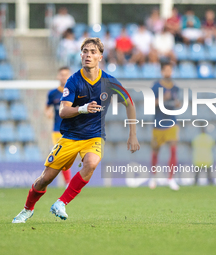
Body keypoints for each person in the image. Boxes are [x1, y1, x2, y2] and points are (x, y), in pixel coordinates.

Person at [12, 37, 140, 223]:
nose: (88, 55)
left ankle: (61, 203)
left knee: (91, 164)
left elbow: (129, 103)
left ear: (100, 57)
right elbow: (63, 111)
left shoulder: (110, 82)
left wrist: (133, 135)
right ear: (80, 55)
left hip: (94, 136)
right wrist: (83, 108)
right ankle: (27, 209)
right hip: (70, 137)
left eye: (92, 52)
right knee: (45, 179)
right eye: (85, 51)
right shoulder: (73, 81)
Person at [149, 62, 180, 191]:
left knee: (173, 150)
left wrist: (178, 103)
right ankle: (154, 177)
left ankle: (171, 179)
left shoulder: (175, 88)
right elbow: (150, 104)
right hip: (158, 123)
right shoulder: (156, 87)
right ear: (162, 72)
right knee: (156, 151)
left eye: (170, 70)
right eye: (166, 70)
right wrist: (162, 98)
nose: (168, 72)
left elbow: (176, 102)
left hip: (172, 123)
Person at [45, 67, 72, 186]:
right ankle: (68, 183)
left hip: (72, 130)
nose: (64, 77)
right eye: (62, 75)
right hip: (57, 130)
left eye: (66, 75)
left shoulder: (75, 92)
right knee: (61, 157)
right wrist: (48, 113)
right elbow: (47, 107)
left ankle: (71, 182)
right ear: (58, 76)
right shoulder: (53, 93)